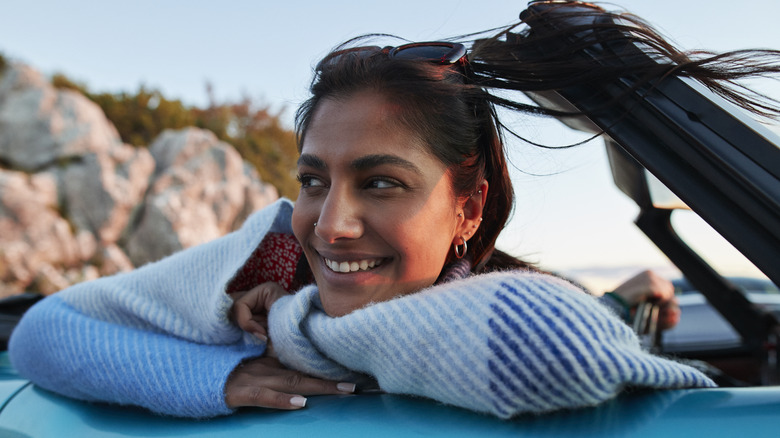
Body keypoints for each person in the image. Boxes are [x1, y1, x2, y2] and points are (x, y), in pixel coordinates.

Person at [8, 1, 779, 420]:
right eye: (315, 180)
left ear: (468, 208)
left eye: (380, 183)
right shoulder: (265, 265)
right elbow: (44, 332)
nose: (331, 224)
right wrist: (220, 375)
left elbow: (538, 327)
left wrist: (630, 297)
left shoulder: (468, 302)